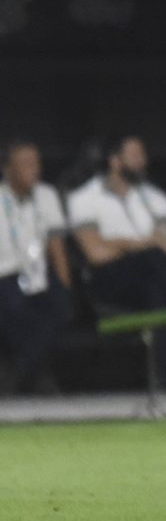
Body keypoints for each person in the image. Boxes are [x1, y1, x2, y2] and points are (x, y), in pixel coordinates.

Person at [68, 137, 166, 382]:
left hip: (150, 276)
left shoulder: (156, 198)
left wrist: (116, 243)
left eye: (143, 155)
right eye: (134, 156)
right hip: (107, 280)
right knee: (152, 259)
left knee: (157, 290)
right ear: (115, 161)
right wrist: (138, 244)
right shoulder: (84, 199)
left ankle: (162, 379)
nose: (142, 161)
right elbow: (96, 254)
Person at [0, 140, 72, 395]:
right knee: (17, 310)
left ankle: (16, 374)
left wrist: (65, 285)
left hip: (37, 275)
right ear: (7, 169)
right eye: (25, 164)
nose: (34, 169)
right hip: (5, 276)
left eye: (36, 163)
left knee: (60, 307)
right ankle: (39, 378)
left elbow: (56, 245)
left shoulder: (47, 195)